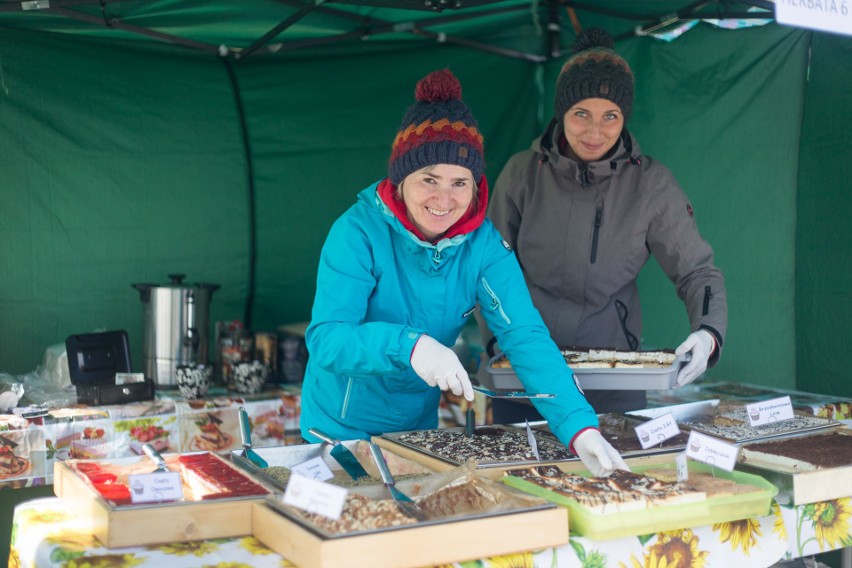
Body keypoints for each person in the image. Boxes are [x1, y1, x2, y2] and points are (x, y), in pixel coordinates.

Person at [300, 68, 627, 476]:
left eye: (460, 182)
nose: (444, 198)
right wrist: (410, 346)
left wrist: (579, 427)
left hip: (415, 434)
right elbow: (328, 339)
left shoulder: (483, 246)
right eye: (429, 179)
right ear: (401, 180)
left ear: (476, 186)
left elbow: (524, 336)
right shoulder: (357, 232)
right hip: (338, 431)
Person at [483, 28, 728, 416]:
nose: (595, 132)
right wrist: (501, 344)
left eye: (609, 116)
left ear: (624, 116)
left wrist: (708, 332)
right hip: (526, 376)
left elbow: (697, 272)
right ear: (562, 111)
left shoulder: (651, 184)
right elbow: (486, 271)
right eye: (581, 114)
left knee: (615, 478)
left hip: (614, 380)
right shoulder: (521, 175)